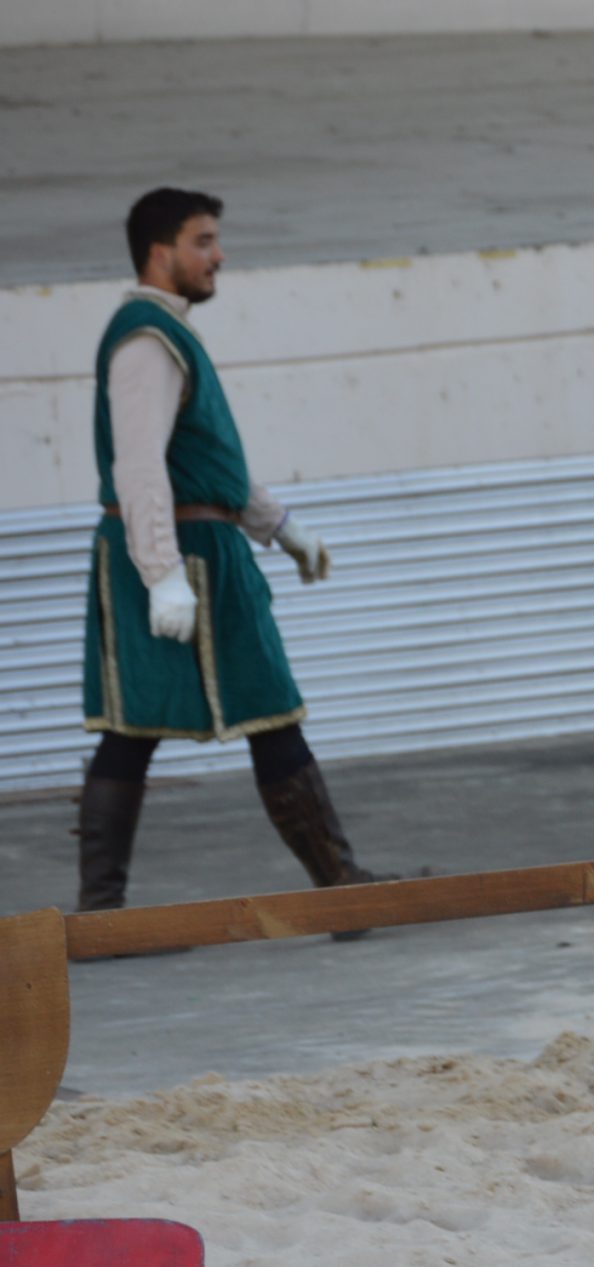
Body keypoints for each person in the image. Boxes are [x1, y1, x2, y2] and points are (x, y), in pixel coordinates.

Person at [76, 187, 385, 918]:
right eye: (204, 241)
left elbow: (206, 458)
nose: (219, 256)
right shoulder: (145, 340)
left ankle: (339, 888)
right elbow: (140, 465)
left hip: (210, 548)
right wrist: (160, 574)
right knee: (134, 727)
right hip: (171, 554)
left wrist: (280, 527)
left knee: (270, 710)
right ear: (161, 250)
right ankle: (100, 913)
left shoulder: (170, 333)